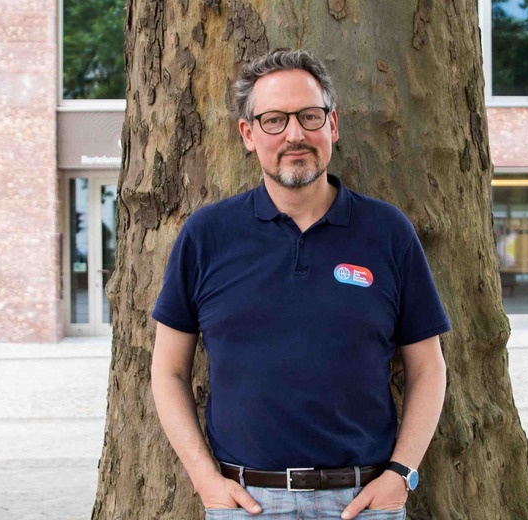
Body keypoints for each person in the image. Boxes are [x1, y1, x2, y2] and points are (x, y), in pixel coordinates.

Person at [150, 49, 450, 519]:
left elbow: (428, 368)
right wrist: (204, 478)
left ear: (333, 126)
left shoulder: (388, 232)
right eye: (274, 120)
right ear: (248, 135)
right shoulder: (206, 235)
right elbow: (167, 371)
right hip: (245, 502)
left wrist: (401, 474)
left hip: (363, 501)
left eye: (310, 116)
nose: (295, 134)